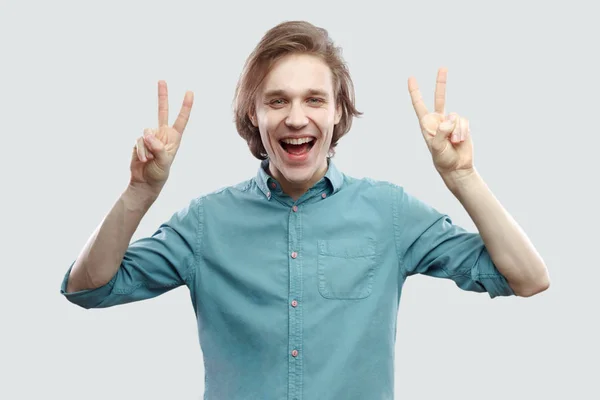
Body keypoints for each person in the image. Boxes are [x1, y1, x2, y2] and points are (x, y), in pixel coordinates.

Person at [60, 20, 549, 400]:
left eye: (314, 99)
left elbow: (526, 277)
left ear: (339, 111)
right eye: (277, 101)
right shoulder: (206, 223)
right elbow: (88, 287)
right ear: (255, 114)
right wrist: (138, 194)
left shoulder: (389, 212)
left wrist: (461, 178)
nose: (296, 117)